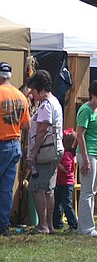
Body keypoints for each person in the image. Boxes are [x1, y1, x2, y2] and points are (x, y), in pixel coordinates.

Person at [26, 69, 64, 234]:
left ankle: (42, 225)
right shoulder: (54, 101)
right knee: (48, 189)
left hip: (45, 152)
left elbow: (42, 130)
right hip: (55, 150)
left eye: (33, 91)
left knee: (36, 187)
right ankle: (49, 224)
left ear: (41, 89)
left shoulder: (46, 105)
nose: (32, 94)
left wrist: (32, 153)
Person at [75, 78, 97, 237]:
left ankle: (86, 226)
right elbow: (80, 135)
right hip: (89, 153)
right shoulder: (85, 110)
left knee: (93, 191)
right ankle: (86, 228)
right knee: (87, 191)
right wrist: (85, 159)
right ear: (93, 95)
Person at [0, 62, 30, 237]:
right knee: (5, 189)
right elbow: (26, 124)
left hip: (2, 143)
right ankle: (3, 225)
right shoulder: (20, 96)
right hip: (14, 144)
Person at [53, 129, 79, 231]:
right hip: (60, 183)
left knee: (66, 204)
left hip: (66, 184)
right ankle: (57, 223)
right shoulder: (68, 154)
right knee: (57, 203)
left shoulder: (67, 155)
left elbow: (67, 169)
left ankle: (73, 223)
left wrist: (57, 164)